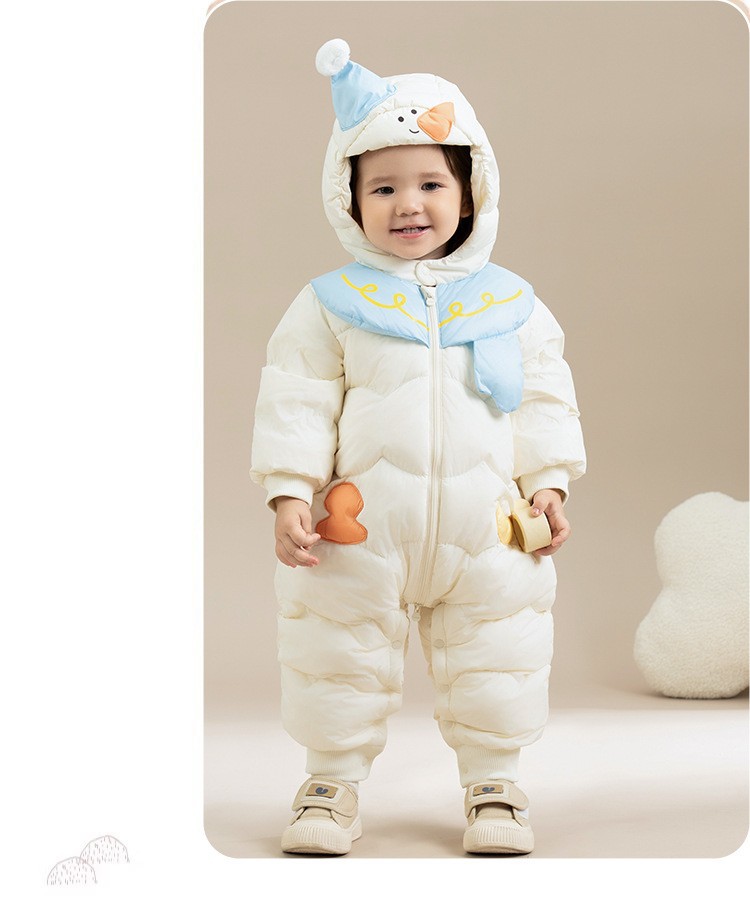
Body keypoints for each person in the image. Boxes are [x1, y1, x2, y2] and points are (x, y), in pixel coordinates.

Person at [250, 39, 586, 856]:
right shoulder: (332, 303)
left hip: (488, 523)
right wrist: (289, 489)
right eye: (384, 187)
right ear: (349, 199)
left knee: (499, 647)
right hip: (358, 524)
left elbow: (544, 394)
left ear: (471, 191)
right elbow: (296, 395)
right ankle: (330, 782)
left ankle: (495, 781)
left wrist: (549, 482)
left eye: (432, 184)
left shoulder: (510, 302)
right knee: (333, 646)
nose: (409, 203)